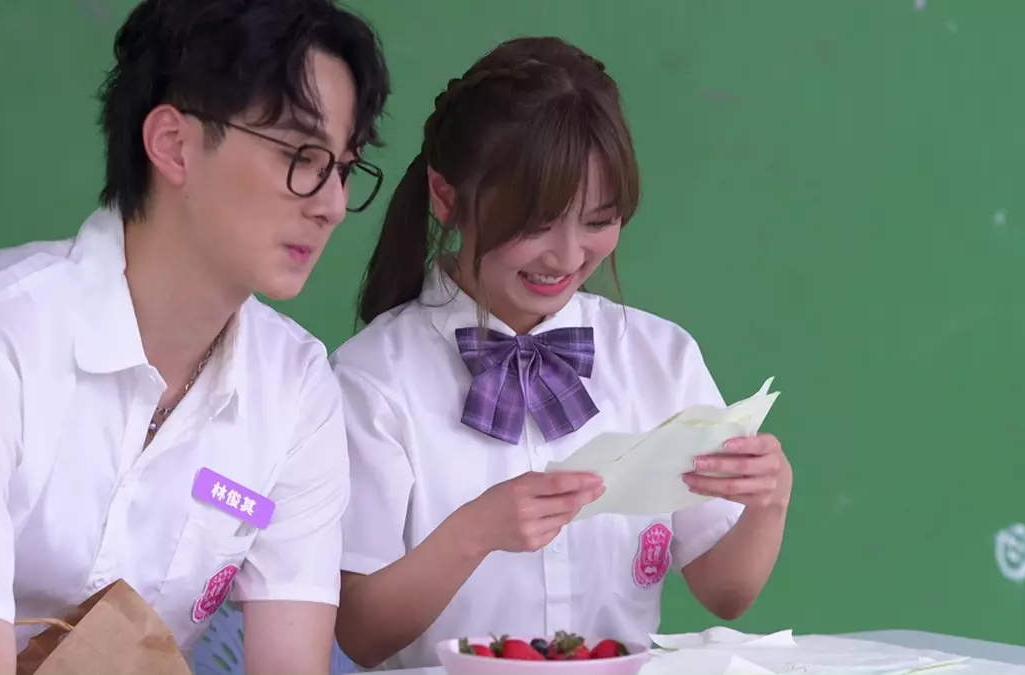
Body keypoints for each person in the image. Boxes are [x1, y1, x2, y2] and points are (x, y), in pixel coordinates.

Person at [0, 0, 389, 672]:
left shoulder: (297, 390)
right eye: (302, 156)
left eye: (345, 168)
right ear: (174, 145)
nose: (331, 204)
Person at [330, 36, 793, 671]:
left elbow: (726, 593)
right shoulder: (373, 377)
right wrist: (476, 531)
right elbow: (360, 633)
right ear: (446, 196)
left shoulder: (659, 357)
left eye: (599, 221)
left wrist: (768, 501)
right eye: (536, 223)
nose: (569, 256)